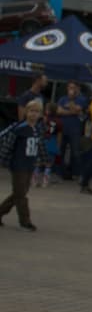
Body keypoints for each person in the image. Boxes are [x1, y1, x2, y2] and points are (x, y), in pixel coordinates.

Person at [0, 98, 47, 230]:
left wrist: (45, 160)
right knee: (21, 195)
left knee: (18, 194)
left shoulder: (37, 129)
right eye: (31, 111)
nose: (34, 114)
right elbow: (8, 145)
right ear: (26, 112)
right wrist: (3, 160)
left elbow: (41, 146)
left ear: (40, 114)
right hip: (18, 165)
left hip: (30, 165)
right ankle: (25, 222)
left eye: (37, 112)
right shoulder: (19, 128)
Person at [55, 81, 87, 180]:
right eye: (69, 88)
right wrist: (71, 112)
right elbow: (58, 111)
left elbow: (77, 109)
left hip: (75, 130)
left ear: (78, 88)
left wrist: (72, 101)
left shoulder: (81, 99)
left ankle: (77, 174)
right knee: (60, 151)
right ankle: (61, 173)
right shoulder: (62, 99)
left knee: (75, 153)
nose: (71, 90)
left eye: (73, 88)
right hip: (62, 129)